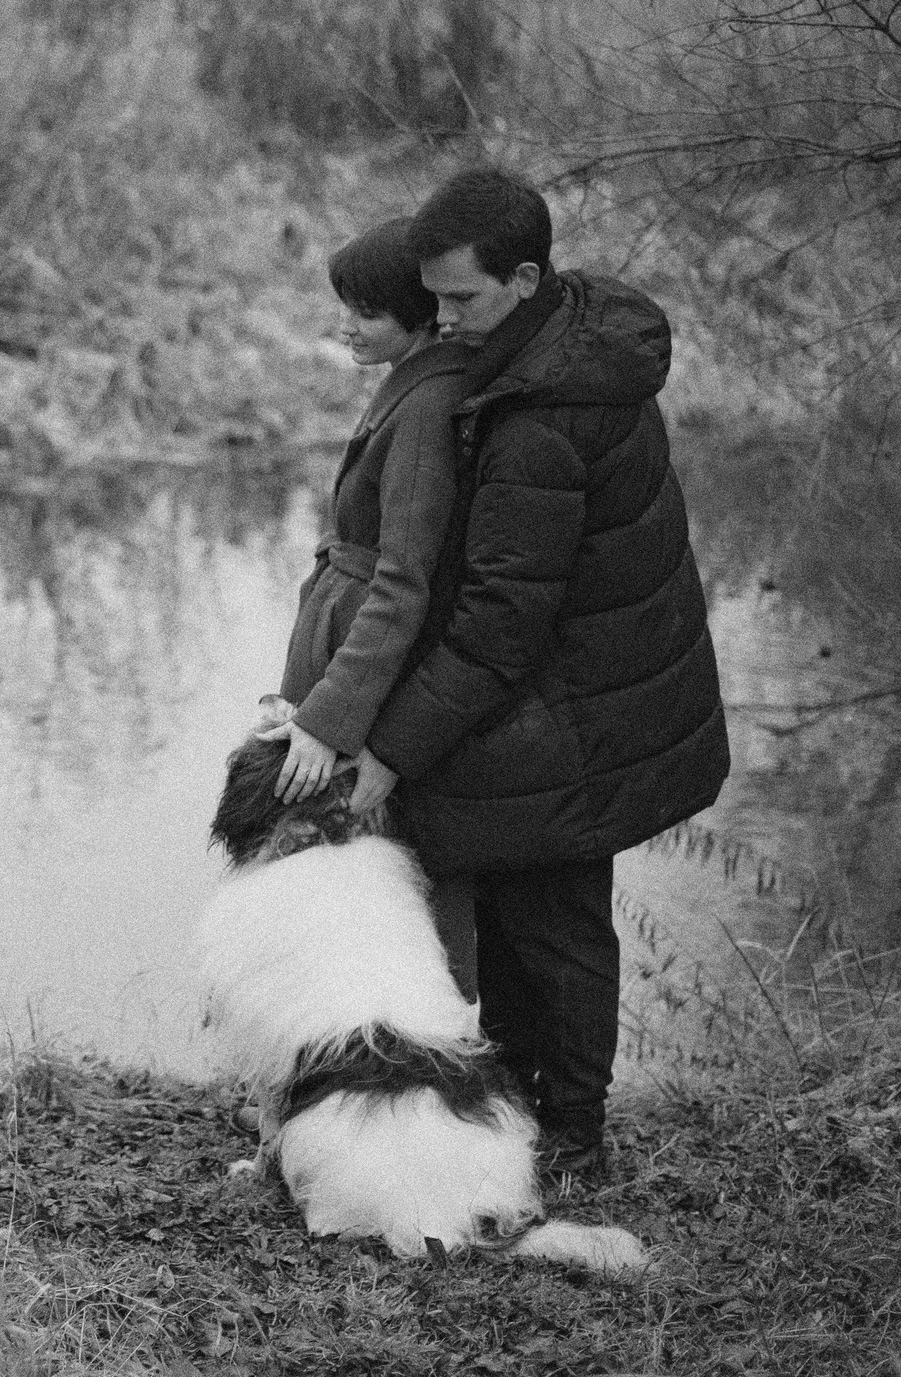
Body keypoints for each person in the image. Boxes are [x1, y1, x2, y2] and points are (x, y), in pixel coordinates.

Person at [346, 166, 730, 1173]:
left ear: (524, 277)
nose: (443, 320)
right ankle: (520, 1109)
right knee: (521, 904)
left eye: (461, 299)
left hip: (578, 708)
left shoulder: (544, 415)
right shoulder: (548, 348)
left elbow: (499, 626)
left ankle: (569, 1136)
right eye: (431, 300)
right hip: (563, 693)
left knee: (554, 922)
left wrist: (388, 748)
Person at [250, 218, 479, 989]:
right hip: (348, 656)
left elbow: (404, 581)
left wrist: (331, 717)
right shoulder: (408, 384)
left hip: (375, 683)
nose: (345, 325)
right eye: (342, 304)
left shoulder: (424, 408)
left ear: (424, 315)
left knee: (394, 874)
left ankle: (413, 1050)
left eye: (367, 311)